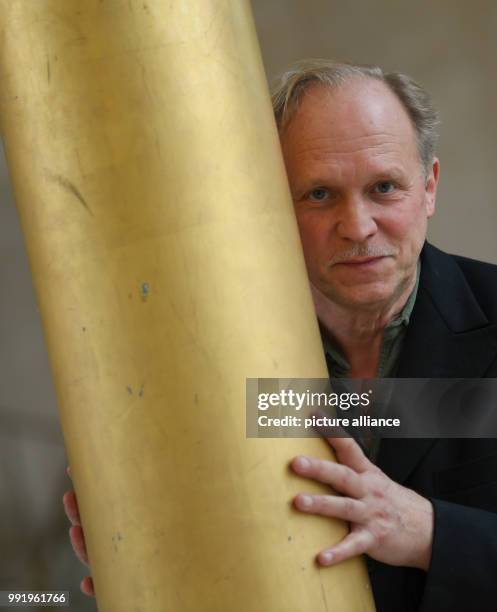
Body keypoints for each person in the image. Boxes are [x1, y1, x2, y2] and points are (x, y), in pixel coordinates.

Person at [63, 60, 497, 611]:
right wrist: (152, 569)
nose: (357, 226)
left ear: (429, 187)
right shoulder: (204, 359)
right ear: (268, 201)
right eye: (319, 195)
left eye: (384, 187)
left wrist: (432, 534)